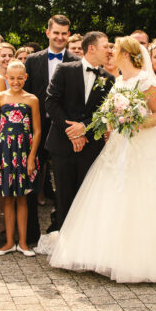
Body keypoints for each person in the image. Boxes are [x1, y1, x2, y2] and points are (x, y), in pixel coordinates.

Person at [47, 38, 156, 283]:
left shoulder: (146, 80)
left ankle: (140, 261)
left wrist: (135, 123)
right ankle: (105, 256)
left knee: (138, 197)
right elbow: (106, 116)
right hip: (117, 146)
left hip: (140, 146)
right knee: (108, 195)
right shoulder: (117, 81)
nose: (110, 52)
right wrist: (89, 127)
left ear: (126, 54)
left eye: (114, 49)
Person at [43, 31, 114, 228]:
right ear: (91, 48)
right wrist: (72, 132)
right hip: (62, 144)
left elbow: (106, 112)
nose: (109, 50)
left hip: (91, 146)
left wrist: (84, 128)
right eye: (105, 46)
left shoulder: (109, 79)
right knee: (63, 196)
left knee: (87, 197)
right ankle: (63, 240)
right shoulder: (64, 69)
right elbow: (51, 102)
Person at [23, 15, 77, 235]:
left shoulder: (76, 61)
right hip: (37, 127)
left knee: (64, 182)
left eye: (64, 33)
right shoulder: (32, 60)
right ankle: (30, 232)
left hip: (64, 128)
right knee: (31, 178)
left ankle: (61, 228)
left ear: (69, 35)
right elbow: (25, 95)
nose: (60, 37)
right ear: (48, 33)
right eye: (56, 33)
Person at [0, 61, 42, 255]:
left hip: (24, 152)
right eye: (11, 78)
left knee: (22, 198)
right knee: (7, 198)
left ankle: (23, 243)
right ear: (6, 78)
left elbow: (37, 131)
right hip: (4, 151)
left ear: (25, 77)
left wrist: (31, 158)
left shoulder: (32, 99)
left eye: (20, 78)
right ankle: (9, 242)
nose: (16, 81)